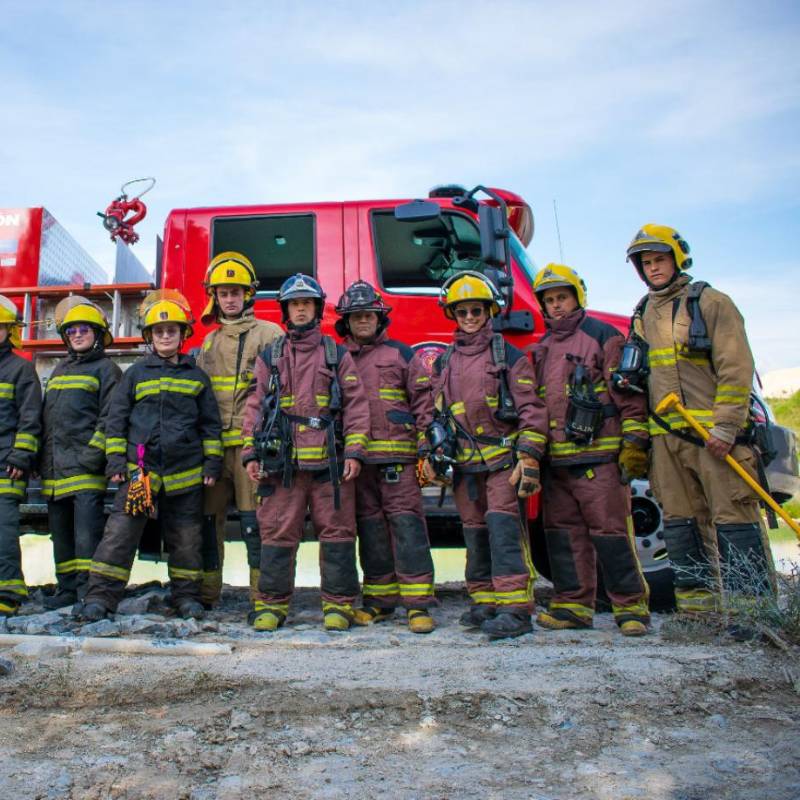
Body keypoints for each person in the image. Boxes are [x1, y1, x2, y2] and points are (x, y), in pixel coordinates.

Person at [625, 224, 774, 615]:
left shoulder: (712, 303)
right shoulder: (642, 314)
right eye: (646, 263)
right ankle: (698, 613)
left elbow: (736, 369)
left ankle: (753, 613)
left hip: (715, 440)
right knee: (681, 527)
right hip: (668, 444)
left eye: (659, 260)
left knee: (735, 524)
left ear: (677, 259)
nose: (653, 268)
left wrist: (725, 428)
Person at [78, 290, 222, 621]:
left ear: (183, 334)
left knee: (186, 539)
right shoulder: (135, 375)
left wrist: (212, 463)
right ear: (150, 336)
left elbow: (210, 426)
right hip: (140, 473)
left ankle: (185, 598)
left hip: (185, 474)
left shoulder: (197, 377)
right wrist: (116, 462)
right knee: (120, 534)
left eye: (172, 330)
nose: (166, 335)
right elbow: (116, 422)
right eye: (159, 331)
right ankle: (100, 598)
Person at [240, 274, 370, 632]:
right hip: (284, 464)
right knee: (278, 533)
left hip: (330, 463)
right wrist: (251, 453)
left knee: (339, 533)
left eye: (306, 303)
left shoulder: (336, 354)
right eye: (294, 304)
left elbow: (357, 405)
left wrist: (355, 451)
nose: (300, 309)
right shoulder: (271, 355)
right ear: (286, 310)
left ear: (316, 309)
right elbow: (255, 407)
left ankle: (339, 606)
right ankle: (271, 605)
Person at [530, 264, 651, 636]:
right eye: (549, 301)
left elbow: (627, 393)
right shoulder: (542, 349)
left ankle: (630, 608)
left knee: (610, 532)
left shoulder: (603, 337)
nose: (557, 306)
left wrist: (634, 442)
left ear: (577, 297)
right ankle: (572, 605)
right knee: (563, 535)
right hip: (558, 463)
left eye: (562, 298)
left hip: (599, 457)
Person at [427, 272, 547, 639]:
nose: (469, 317)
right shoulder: (444, 361)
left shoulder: (508, 356)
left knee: (503, 529)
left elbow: (531, 409)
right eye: (461, 311)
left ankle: (515, 609)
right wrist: (430, 453)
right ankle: (485, 600)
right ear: (452, 314)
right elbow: (435, 412)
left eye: (476, 310)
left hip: (501, 462)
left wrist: (528, 454)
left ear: (489, 311)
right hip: (464, 465)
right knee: (475, 532)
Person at [334, 280, 436, 634]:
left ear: (380, 318)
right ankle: (379, 602)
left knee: (407, 527)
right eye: (357, 316)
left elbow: (424, 403)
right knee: (371, 531)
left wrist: (426, 447)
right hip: (359, 463)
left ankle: (419, 605)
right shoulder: (338, 358)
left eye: (370, 315)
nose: (364, 321)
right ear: (346, 321)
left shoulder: (402, 355)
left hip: (399, 460)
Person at [195, 252, 283, 610]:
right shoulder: (208, 342)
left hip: (251, 450)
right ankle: (206, 595)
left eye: (236, 291)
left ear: (249, 294)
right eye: (223, 292)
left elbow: (280, 395)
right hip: (215, 451)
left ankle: (262, 598)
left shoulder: (270, 334)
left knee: (255, 523)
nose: (229, 298)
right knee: (207, 523)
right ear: (214, 297)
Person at [40, 297, 122, 610]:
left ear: (98, 333)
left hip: (85, 471)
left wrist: (92, 456)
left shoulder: (107, 370)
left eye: (84, 329)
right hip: (55, 471)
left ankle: (90, 593)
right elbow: (50, 420)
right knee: (60, 537)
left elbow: (111, 419)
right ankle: (67, 590)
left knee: (87, 537)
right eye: (71, 330)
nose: (76, 334)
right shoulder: (60, 370)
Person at [0, 296, 42, 617]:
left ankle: (8, 592)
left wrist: (20, 456)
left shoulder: (21, 369)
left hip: (7, 465)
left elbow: (30, 420)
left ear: (9, 331)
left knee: (3, 528)